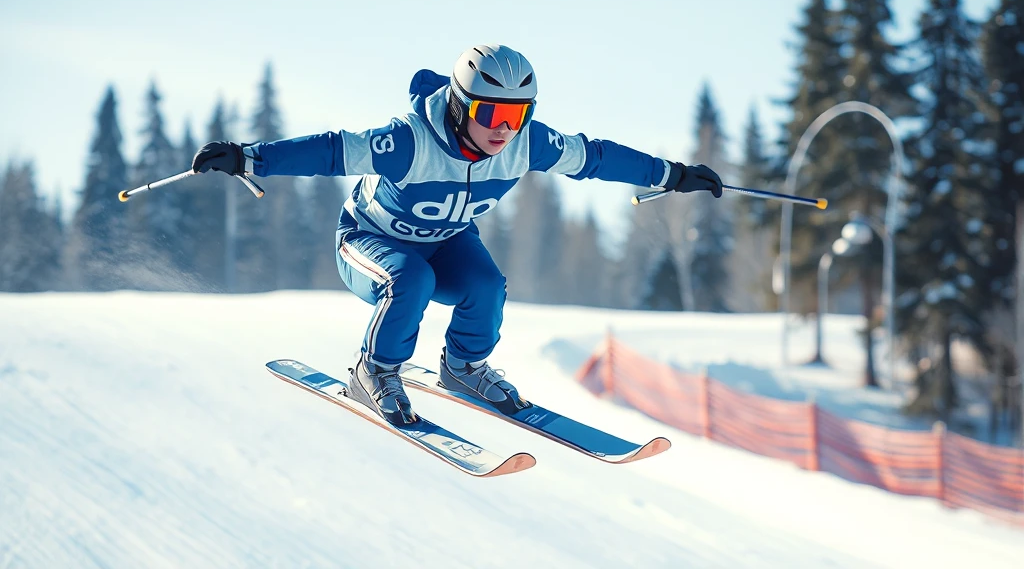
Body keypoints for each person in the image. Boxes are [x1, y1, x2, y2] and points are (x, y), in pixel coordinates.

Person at [192, 44, 724, 426]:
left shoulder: (527, 144)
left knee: (487, 287)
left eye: (517, 115)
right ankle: (373, 371)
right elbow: (331, 150)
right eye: (490, 112)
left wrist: (672, 175)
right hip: (369, 239)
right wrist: (247, 157)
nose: (503, 129)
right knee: (410, 279)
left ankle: (464, 367)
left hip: (446, 241)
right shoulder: (409, 141)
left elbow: (598, 158)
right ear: (458, 104)